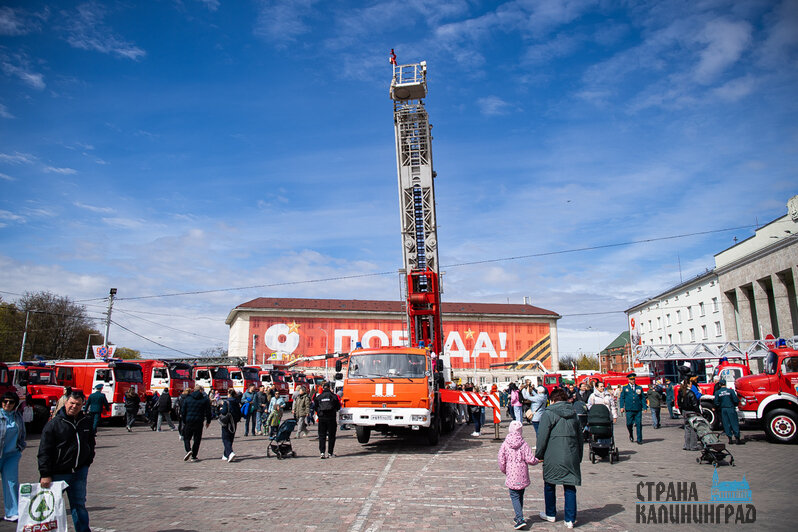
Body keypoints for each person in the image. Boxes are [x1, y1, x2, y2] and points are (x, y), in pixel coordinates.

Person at [38, 389, 95, 532]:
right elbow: (44, 451)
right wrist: (45, 473)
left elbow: (90, 442)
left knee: (79, 505)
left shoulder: (85, 421)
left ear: (82, 405)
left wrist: (87, 461)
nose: (74, 407)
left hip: (79, 471)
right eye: (71, 403)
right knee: (51, 507)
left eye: (78, 404)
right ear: (66, 402)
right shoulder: (54, 423)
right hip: (58, 472)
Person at [535, 388, 582, 529]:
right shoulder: (574, 413)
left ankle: (550, 513)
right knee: (570, 485)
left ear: (553, 400)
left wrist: (539, 454)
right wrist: (579, 455)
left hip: (552, 453)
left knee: (550, 483)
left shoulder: (549, 413)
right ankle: (570, 519)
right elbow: (580, 437)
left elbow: (542, 436)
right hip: (571, 453)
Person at [498, 420, 540, 529]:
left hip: (511, 474)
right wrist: (537, 461)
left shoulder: (505, 444)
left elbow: (501, 460)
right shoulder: (524, 444)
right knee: (520, 495)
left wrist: (504, 470)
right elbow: (530, 459)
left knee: (514, 496)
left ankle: (520, 518)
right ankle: (518, 515)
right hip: (522, 474)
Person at [0, 392, 26, 522]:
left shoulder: (17, 417)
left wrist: (20, 447)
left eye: (11, 402)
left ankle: (12, 512)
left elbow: (22, 434)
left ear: (15, 404)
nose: (7, 404)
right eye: (5, 401)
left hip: (11, 455)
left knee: (12, 482)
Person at [180, 385, 212, 462]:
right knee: (197, 439)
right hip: (199, 421)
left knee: (186, 437)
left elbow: (183, 411)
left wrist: (184, 420)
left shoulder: (188, 399)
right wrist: (208, 421)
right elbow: (208, 412)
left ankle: (188, 450)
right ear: (200, 391)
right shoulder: (205, 400)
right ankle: (194, 456)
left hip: (189, 420)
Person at [313, 382, 341, 459]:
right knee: (331, 436)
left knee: (322, 435)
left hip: (322, 418)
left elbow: (315, 406)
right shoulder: (333, 396)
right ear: (329, 387)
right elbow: (338, 406)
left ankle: (322, 452)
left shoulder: (319, 397)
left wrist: (319, 412)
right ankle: (330, 453)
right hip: (331, 418)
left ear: (323, 387)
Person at [619, 373, 647, 444]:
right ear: (628, 380)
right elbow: (622, 398)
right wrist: (622, 407)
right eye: (631, 379)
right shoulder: (625, 388)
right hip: (629, 409)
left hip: (638, 408)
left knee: (639, 424)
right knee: (629, 423)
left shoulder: (639, 387)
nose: (633, 380)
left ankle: (639, 439)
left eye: (633, 379)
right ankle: (631, 434)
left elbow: (643, 398)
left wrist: (645, 407)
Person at [714, 379, 743, 445]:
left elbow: (716, 402)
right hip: (731, 408)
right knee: (734, 423)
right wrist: (734, 405)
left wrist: (720, 406)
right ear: (725, 384)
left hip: (723, 409)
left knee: (726, 423)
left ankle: (730, 438)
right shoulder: (731, 391)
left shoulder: (717, 392)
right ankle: (737, 438)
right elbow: (736, 400)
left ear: (720, 385)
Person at [678, 376, 701, 451]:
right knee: (693, 429)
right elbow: (695, 404)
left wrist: (682, 411)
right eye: (690, 384)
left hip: (685, 412)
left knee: (687, 429)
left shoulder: (681, 392)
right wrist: (698, 412)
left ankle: (687, 445)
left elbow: (679, 403)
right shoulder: (691, 393)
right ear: (688, 384)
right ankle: (693, 445)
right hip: (692, 412)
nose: (691, 385)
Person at [219, 389, 242, 462]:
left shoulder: (227, 402)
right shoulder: (237, 402)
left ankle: (230, 453)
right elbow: (239, 412)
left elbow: (224, 411)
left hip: (227, 422)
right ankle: (225, 455)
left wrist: (221, 409)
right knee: (231, 438)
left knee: (225, 438)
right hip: (234, 422)